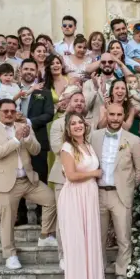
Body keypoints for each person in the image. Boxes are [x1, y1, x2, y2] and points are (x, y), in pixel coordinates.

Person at [0, 99, 58, 270]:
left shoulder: (22, 126)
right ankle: (10, 255)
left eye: (12, 111)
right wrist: (16, 140)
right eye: (6, 111)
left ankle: (45, 235)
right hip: (5, 183)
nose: (9, 114)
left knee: (51, 199)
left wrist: (29, 136)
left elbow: (36, 150)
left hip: (28, 179)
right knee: (7, 220)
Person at [90, 103, 140, 279]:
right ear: (107, 115)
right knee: (98, 236)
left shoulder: (134, 140)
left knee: (123, 237)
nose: (114, 118)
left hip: (121, 194)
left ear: (124, 116)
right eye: (111, 114)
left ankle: (121, 276)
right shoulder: (94, 137)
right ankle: (98, 273)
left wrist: (128, 186)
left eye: (118, 115)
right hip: (97, 193)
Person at [57, 112, 105, 279]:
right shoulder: (67, 148)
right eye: (73, 123)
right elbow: (71, 175)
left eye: (80, 122)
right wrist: (95, 173)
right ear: (68, 128)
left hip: (89, 196)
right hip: (75, 197)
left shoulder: (88, 145)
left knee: (90, 243)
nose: (77, 126)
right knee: (78, 245)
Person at [47, 91, 88, 269]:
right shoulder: (58, 124)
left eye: (82, 101)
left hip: (84, 180)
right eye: (75, 100)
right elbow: (57, 147)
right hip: (63, 177)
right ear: (68, 102)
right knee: (64, 218)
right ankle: (63, 254)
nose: (79, 103)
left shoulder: (87, 124)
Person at [14, 59, 55, 226]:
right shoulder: (13, 90)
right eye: (26, 69)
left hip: (38, 139)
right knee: (17, 177)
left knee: (40, 177)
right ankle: (20, 214)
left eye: (32, 69)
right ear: (21, 70)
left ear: (37, 71)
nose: (29, 71)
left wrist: (28, 121)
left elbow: (48, 114)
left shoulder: (44, 92)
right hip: (15, 141)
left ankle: (40, 213)